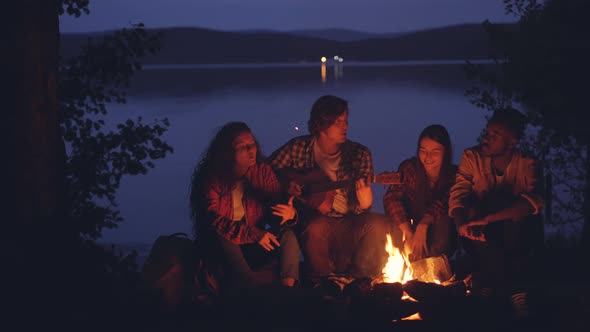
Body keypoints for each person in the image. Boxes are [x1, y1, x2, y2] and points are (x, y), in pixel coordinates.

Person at [268, 95, 389, 285]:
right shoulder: (298, 148)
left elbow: (360, 210)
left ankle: (357, 281)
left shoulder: (359, 154)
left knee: (379, 224)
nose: (346, 126)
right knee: (316, 226)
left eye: (346, 121)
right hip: (315, 219)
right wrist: (286, 185)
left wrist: (364, 204)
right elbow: (267, 172)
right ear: (321, 124)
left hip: (350, 220)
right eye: (338, 122)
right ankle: (323, 284)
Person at [449, 108, 544, 320]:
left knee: (517, 216)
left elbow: (532, 202)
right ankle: (515, 290)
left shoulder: (528, 163)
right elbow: (459, 194)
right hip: (481, 232)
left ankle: (492, 283)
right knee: (473, 211)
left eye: (495, 136)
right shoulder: (471, 157)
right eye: (487, 133)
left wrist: (489, 218)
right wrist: (461, 223)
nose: (487, 139)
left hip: (516, 233)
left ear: (512, 142)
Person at [189, 122, 300, 291]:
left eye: (252, 145)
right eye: (243, 147)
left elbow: (274, 208)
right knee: (225, 237)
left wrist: (289, 214)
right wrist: (254, 234)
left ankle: (288, 290)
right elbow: (214, 221)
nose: (251, 151)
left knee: (287, 235)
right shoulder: (212, 178)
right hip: (221, 247)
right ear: (227, 152)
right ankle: (249, 288)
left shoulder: (262, 172)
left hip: (253, 243)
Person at [383, 124, 457, 263]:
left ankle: (432, 268)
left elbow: (443, 202)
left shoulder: (453, 175)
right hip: (408, 227)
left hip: (439, 232)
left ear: (445, 152)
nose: (428, 157)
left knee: (444, 224)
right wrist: (408, 232)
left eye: (435, 152)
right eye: (423, 151)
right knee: (388, 225)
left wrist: (423, 226)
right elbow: (392, 198)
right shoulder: (410, 168)